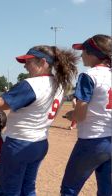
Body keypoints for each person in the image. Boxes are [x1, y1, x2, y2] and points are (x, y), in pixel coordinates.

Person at [0, 45, 78, 195]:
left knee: (10, 190)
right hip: (40, 143)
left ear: (43, 62)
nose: (25, 66)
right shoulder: (59, 84)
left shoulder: (31, 85)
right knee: (28, 188)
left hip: (19, 144)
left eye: (29, 61)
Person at [61, 34, 112, 196]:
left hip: (92, 141)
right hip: (110, 140)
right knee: (106, 190)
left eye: (83, 51)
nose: (81, 55)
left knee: (69, 189)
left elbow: (80, 115)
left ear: (93, 54)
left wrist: (72, 115)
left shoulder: (89, 75)